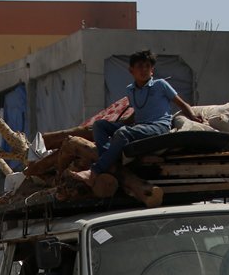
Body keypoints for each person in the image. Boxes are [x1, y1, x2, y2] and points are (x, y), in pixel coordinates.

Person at [86, 49, 204, 179]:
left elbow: (182, 103)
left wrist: (192, 116)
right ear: (131, 70)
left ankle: (96, 170)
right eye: (140, 66)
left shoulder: (160, 85)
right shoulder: (130, 90)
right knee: (99, 125)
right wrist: (120, 123)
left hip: (158, 126)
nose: (144, 70)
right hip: (139, 126)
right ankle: (109, 160)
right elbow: (137, 112)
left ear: (152, 70)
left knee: (123, 133)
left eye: (147, 66)